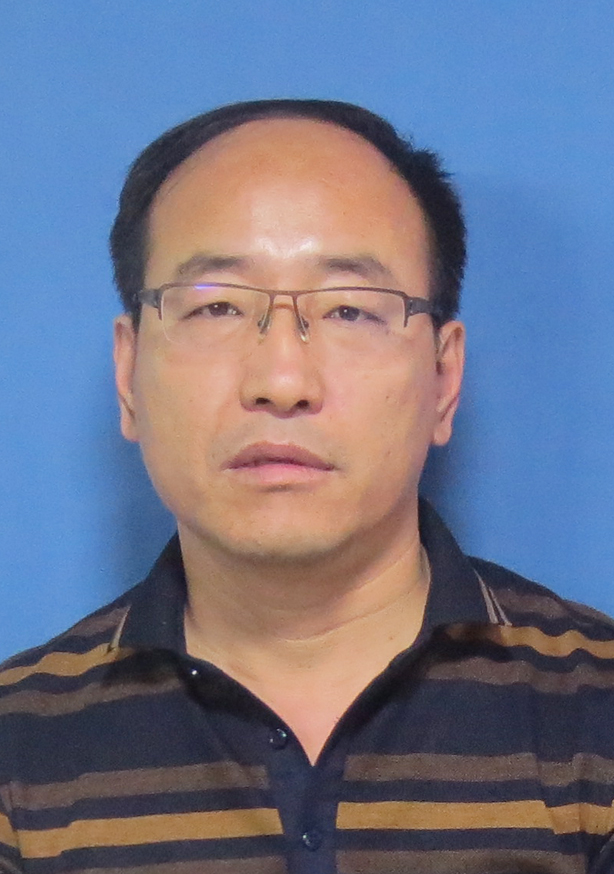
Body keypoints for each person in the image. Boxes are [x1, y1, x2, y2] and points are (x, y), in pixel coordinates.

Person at [0, 98, 613, 874]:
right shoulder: (18, 751)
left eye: (350, 310)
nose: (282, 381)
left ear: (443, 378)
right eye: (217, 306)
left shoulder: (596, 716)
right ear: (129, 375)